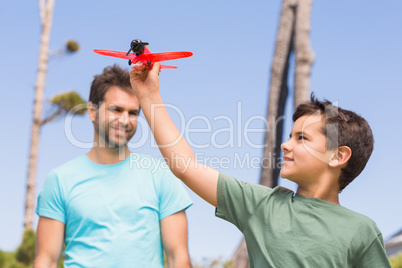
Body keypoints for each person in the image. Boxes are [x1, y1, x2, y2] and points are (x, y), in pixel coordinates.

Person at [129, 62, 392, 267]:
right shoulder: (262, 205)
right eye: (289, 136)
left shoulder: (362, 231)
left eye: (302, 138)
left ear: (337, 156)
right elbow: (185, 165)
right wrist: (149, 95)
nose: (285, 145)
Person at [34, 65, 193, 268]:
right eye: (116, 110)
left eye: (133, 113)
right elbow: (46, 260)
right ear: (92, 112)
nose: (125, 120)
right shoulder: (59, 180)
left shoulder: (160, 175)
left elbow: (178, 257)